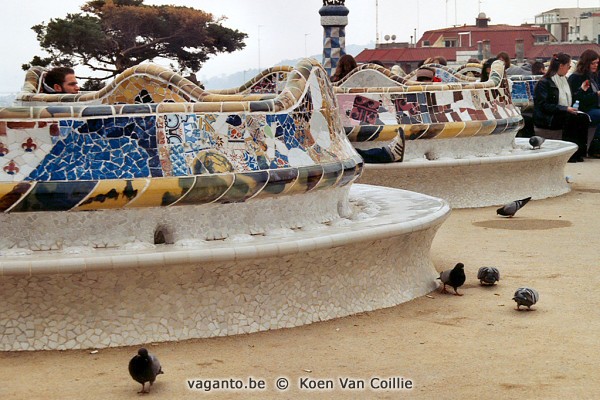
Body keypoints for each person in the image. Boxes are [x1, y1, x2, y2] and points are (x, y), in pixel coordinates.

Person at [534, 53, 590, 162]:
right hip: (548, 117)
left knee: (583, 118)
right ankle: (571, 154)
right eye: (568, 66)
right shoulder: (544, 83)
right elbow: (543, 105)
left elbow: (571, 99)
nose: (569, 69)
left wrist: (581, 90)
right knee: (571, 119)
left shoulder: (564, 81)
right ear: (561, 66)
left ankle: (579, 152)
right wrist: (565, 109)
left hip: (559, 112)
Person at [569, 49, 600, 157]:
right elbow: (577, 99)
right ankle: (595, 148)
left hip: (594, 107)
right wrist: (596, 95)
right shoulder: (576, 78)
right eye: (593, 63)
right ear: (586, 63)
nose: (595, 65)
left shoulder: (594, 76)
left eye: (597, 63)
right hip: (584, 109)